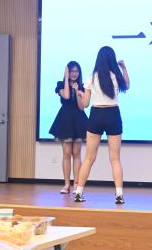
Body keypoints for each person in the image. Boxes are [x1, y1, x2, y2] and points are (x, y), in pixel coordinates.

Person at [73, 46, 129, 204]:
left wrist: (80, 94)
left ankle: (79, 192)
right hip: (113, 114)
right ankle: (119, 195)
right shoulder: (116, 75)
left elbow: (85, 104)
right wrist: (124, 68)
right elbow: (127, 85)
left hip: (96, 115)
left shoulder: (91, 78)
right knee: (115, 158)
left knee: (89, 158)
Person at [49, 61, 88, 194]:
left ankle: (77, 184)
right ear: (67, 72)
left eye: (76, 71)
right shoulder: (60, 84)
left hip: (78, 120)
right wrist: (66, 79)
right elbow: (66, 96)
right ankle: (66, 185)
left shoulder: (82, 86)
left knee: (76, 154)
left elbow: (81, 107)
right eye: (71, 71)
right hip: (65, 120)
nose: (74, 74)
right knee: (66, 154)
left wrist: (77, 91)